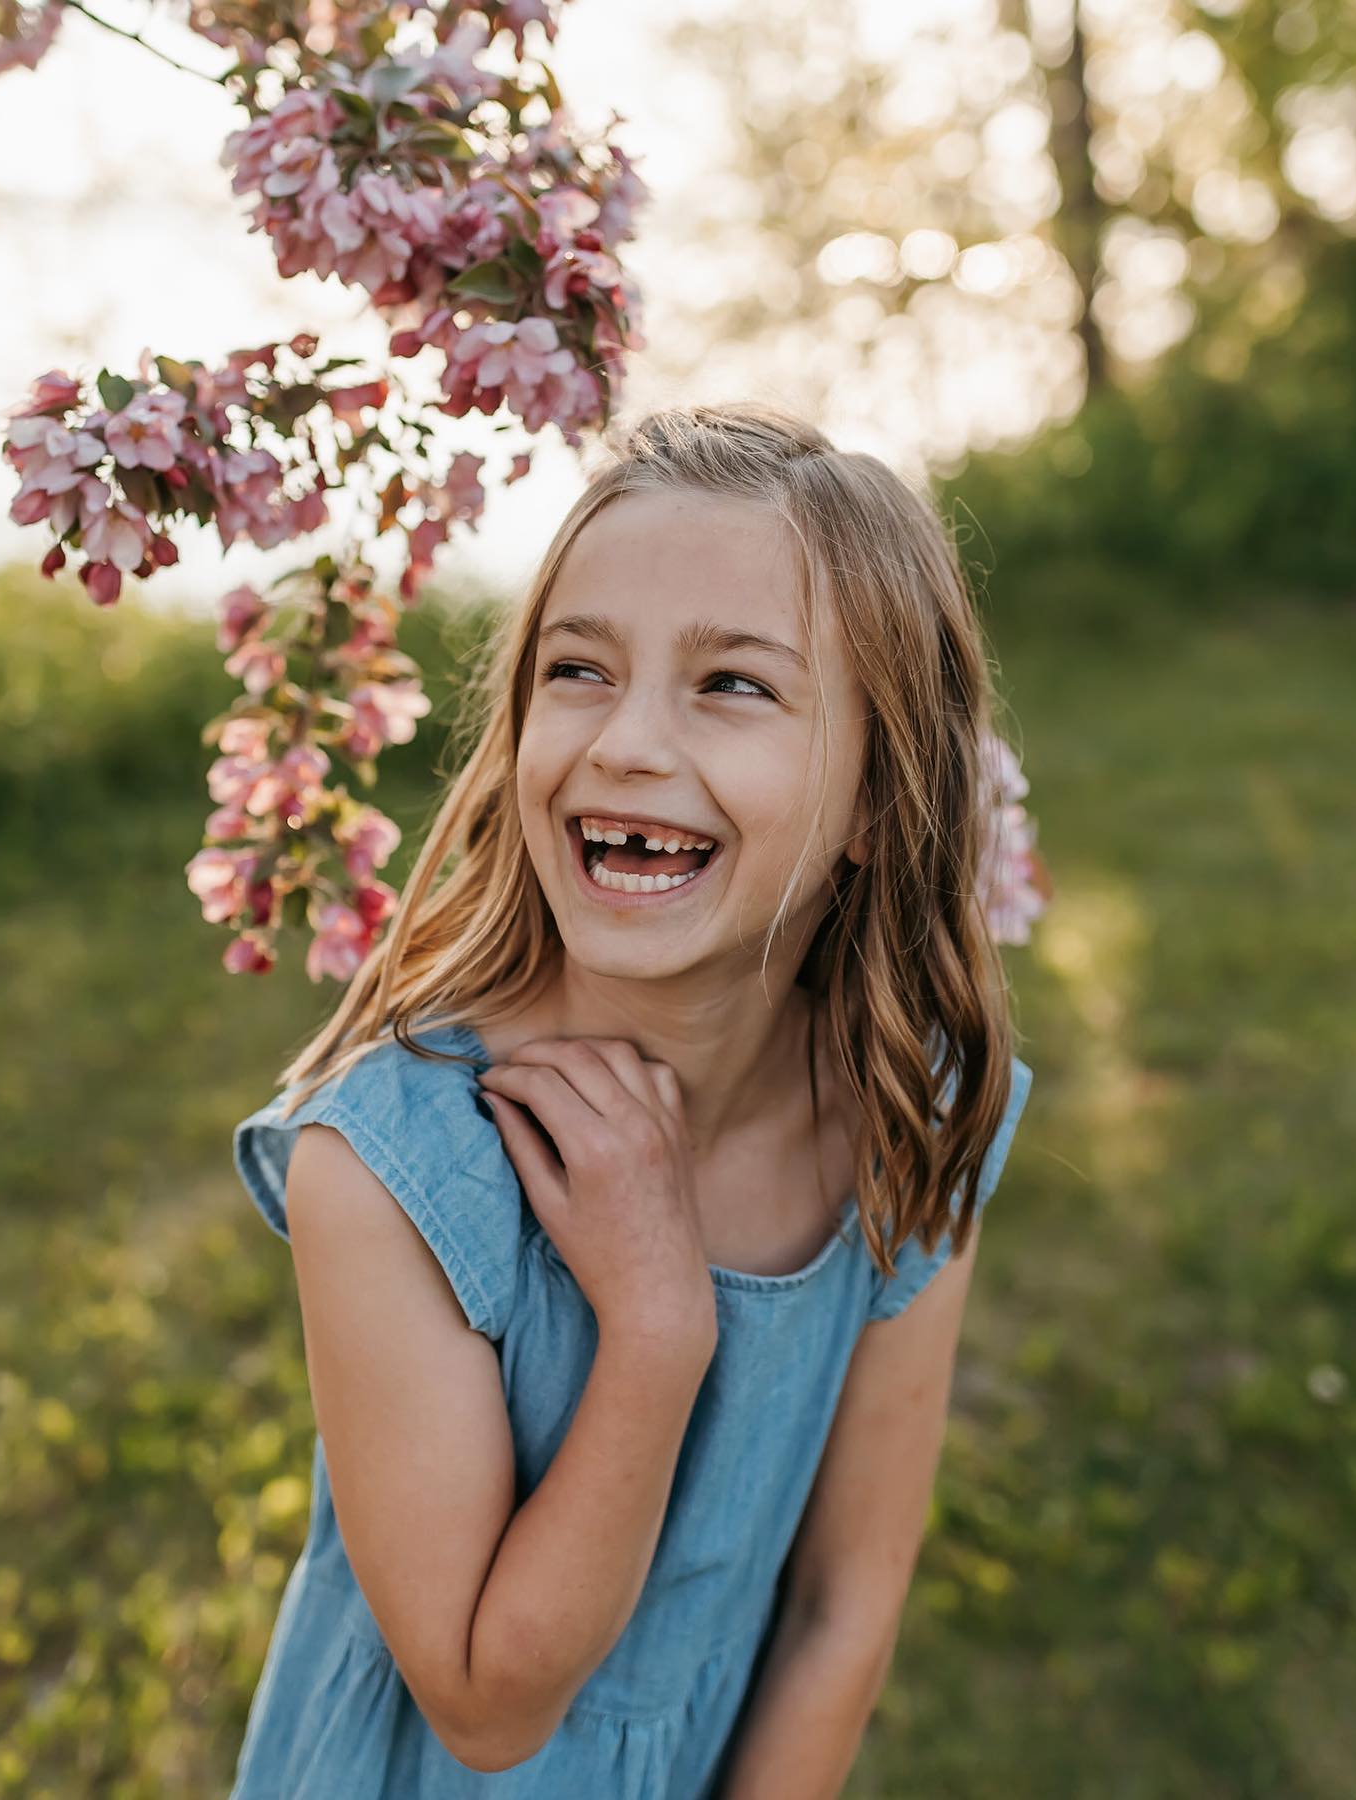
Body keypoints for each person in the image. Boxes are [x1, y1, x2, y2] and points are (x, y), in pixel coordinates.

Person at [227, 401, 1036, 1798]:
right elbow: (486, 1707)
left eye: (733, 686)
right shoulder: (393, 1170)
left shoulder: (912, 1114)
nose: (625, 747)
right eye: (579, 670)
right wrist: (657, 1325)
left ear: (872, 797)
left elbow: (843, 1607)